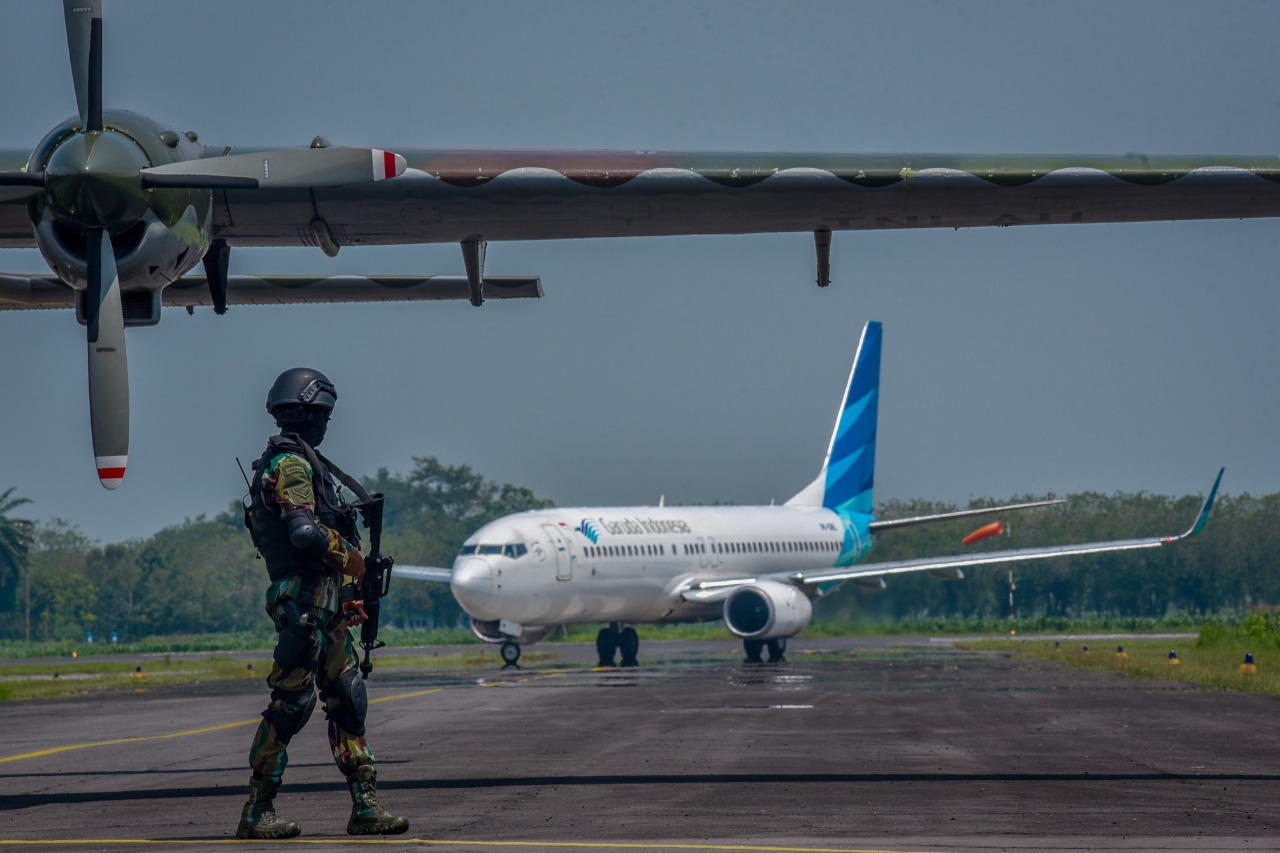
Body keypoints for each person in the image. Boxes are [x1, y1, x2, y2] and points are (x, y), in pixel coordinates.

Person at [236, 367, 408, 839]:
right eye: (324, 416)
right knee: (291, 704)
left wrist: (347, 594)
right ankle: (257, 809)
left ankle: (365, 806)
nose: (326, 424)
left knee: (348, 698)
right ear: (311, 414)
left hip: (324, 603)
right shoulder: (290, 465)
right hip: (302, 605)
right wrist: (354, 562)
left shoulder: (306, 462)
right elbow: (305, 533)